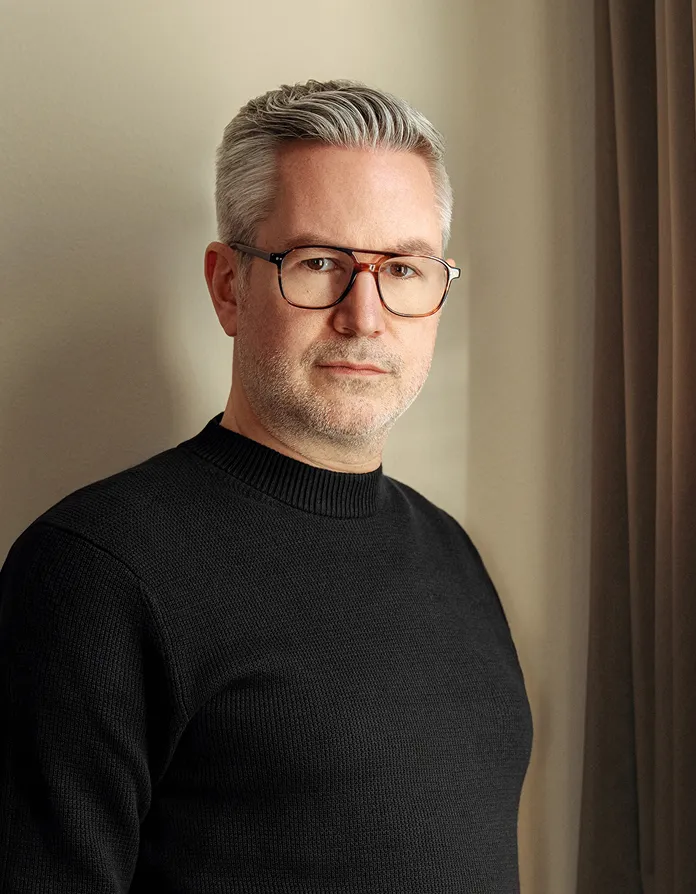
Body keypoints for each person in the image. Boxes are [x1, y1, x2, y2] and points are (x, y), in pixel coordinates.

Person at [0, 79, 533, 893]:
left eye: (404, 268)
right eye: (318, 263)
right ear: (227, 286)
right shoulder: (95, 571)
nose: (365, 315)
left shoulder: (451, 554)